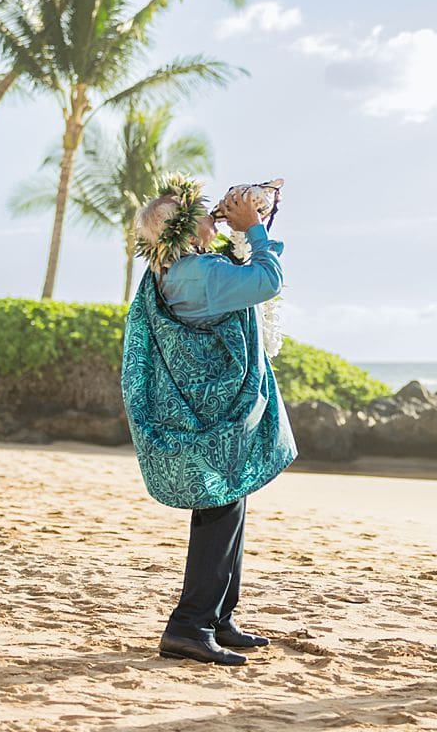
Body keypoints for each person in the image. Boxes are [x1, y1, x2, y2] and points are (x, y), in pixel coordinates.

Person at [121, 174, 297, 666]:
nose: (210, 215)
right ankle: (190, 625)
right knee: (220, 512)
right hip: (214, 413)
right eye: (200, 212)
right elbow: (265, 281)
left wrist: (254, 223)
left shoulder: (181, 269)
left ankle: (218, 618)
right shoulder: (198, 274)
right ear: (180, 229)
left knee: (228, 506)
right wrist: (253, 228)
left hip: (202, 409)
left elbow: (240, 271)